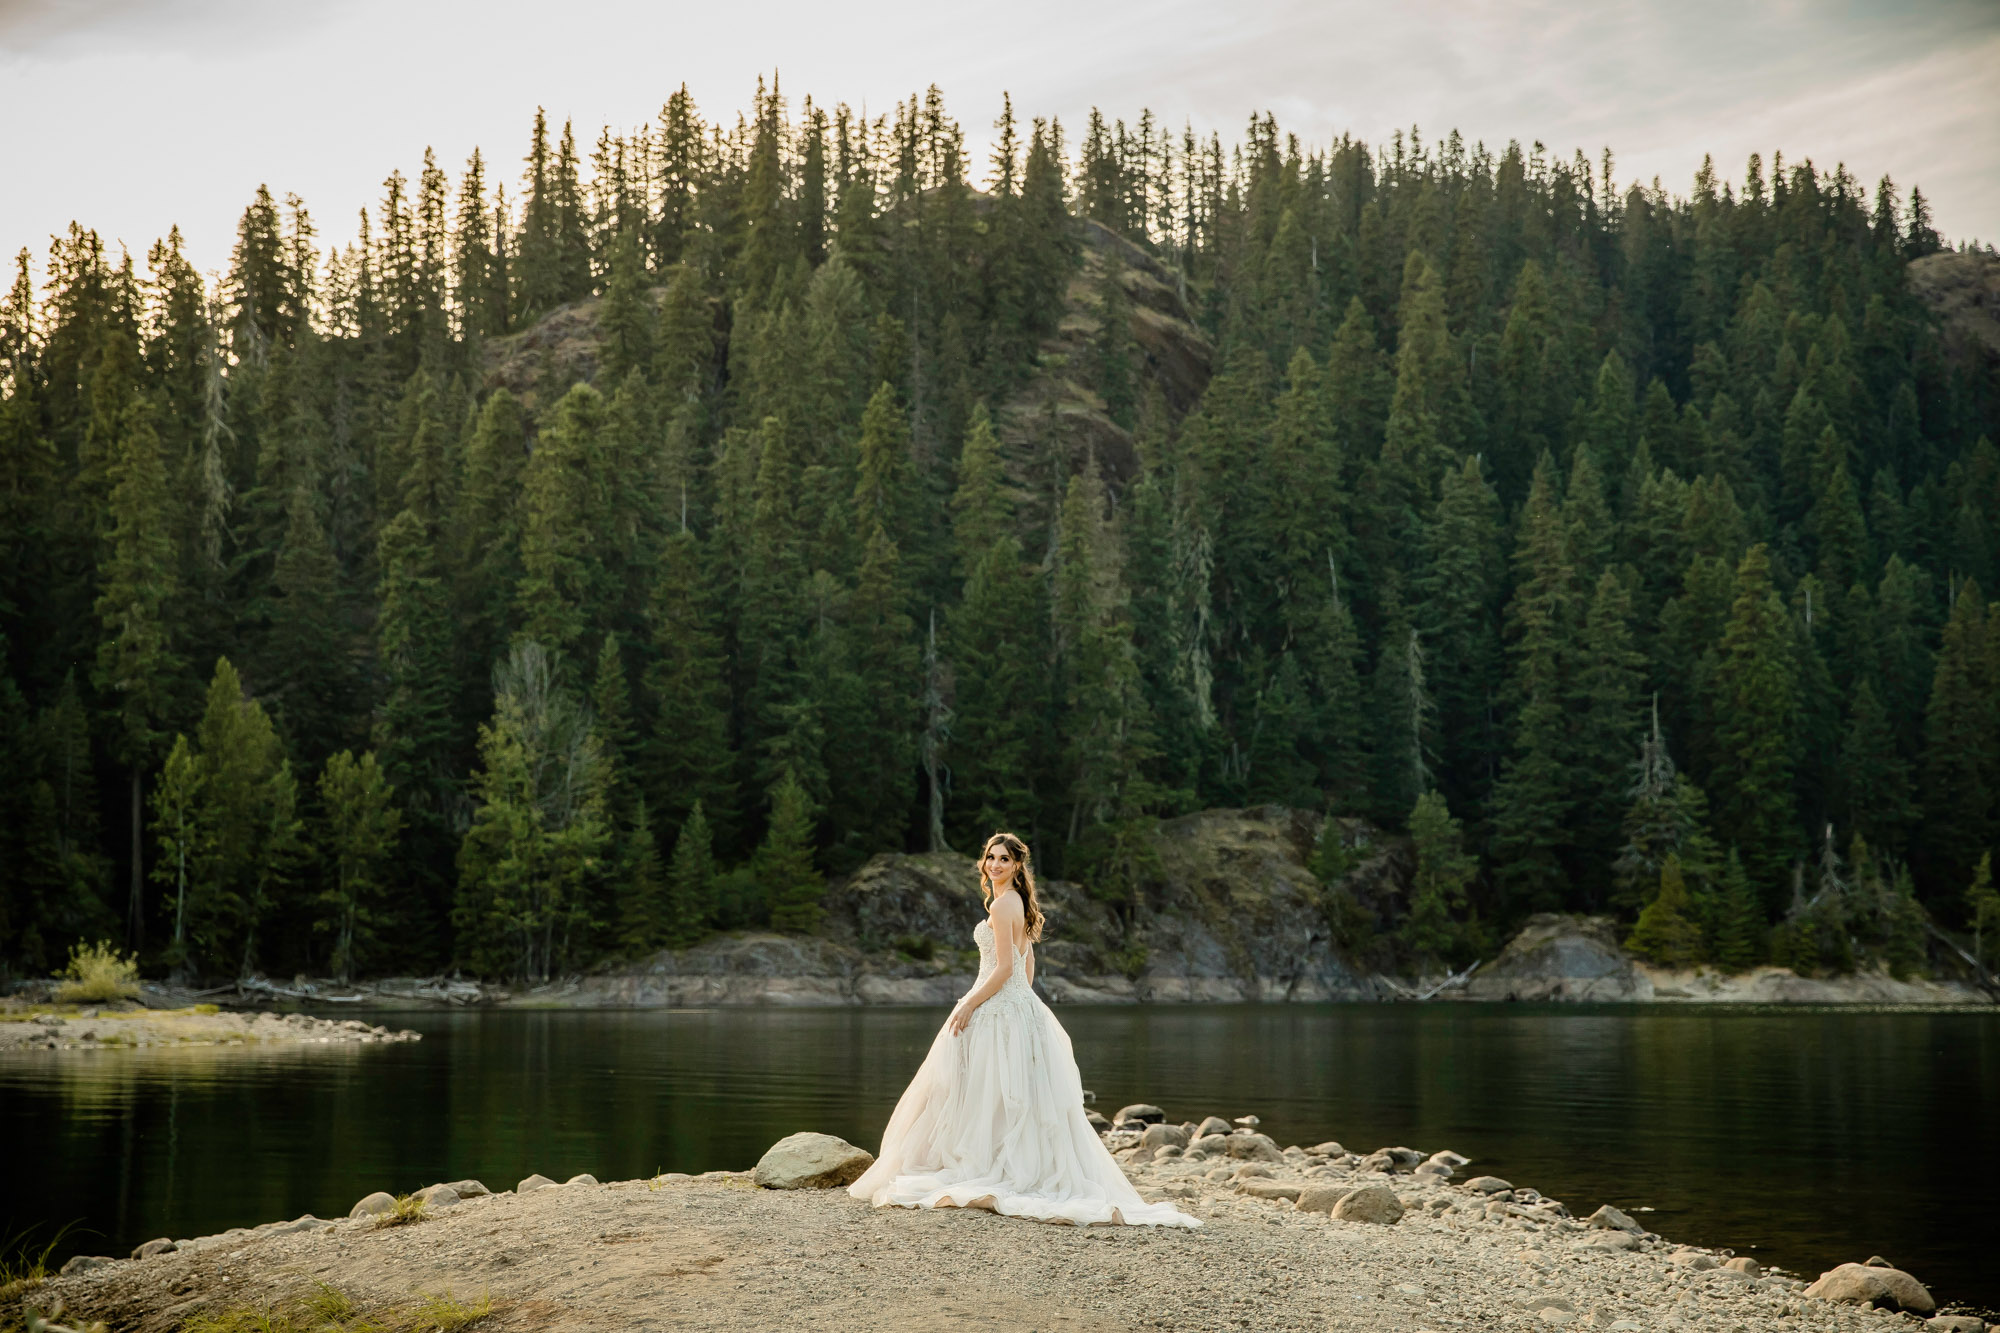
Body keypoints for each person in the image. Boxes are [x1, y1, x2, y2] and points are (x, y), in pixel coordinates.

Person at [847, 831, 1201, 1228]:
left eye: (1003, 859)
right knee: (1008, 1094)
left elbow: (1003, 968)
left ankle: (989, 1164)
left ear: (1017, 866)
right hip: (1016, 1007)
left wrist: (970, 1004)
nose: (994, 864)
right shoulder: (1017, 903)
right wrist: (1018, 1001)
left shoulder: (1002, 906)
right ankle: (1007, 1161)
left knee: (986, 1091)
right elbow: (1025, 968)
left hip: (999, 1006)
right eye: (990, 858)